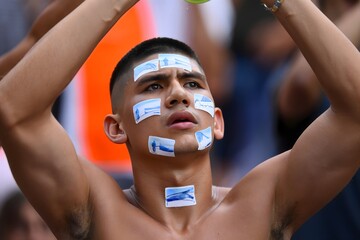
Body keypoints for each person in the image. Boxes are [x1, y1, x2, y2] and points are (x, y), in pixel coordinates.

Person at [0, 0, 359, 239]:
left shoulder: (264, 203)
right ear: (116, 127)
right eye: (153, 86)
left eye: (192, 83)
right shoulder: (95, 209)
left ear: (217, 122)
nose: (178, 94)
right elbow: (14, 110)